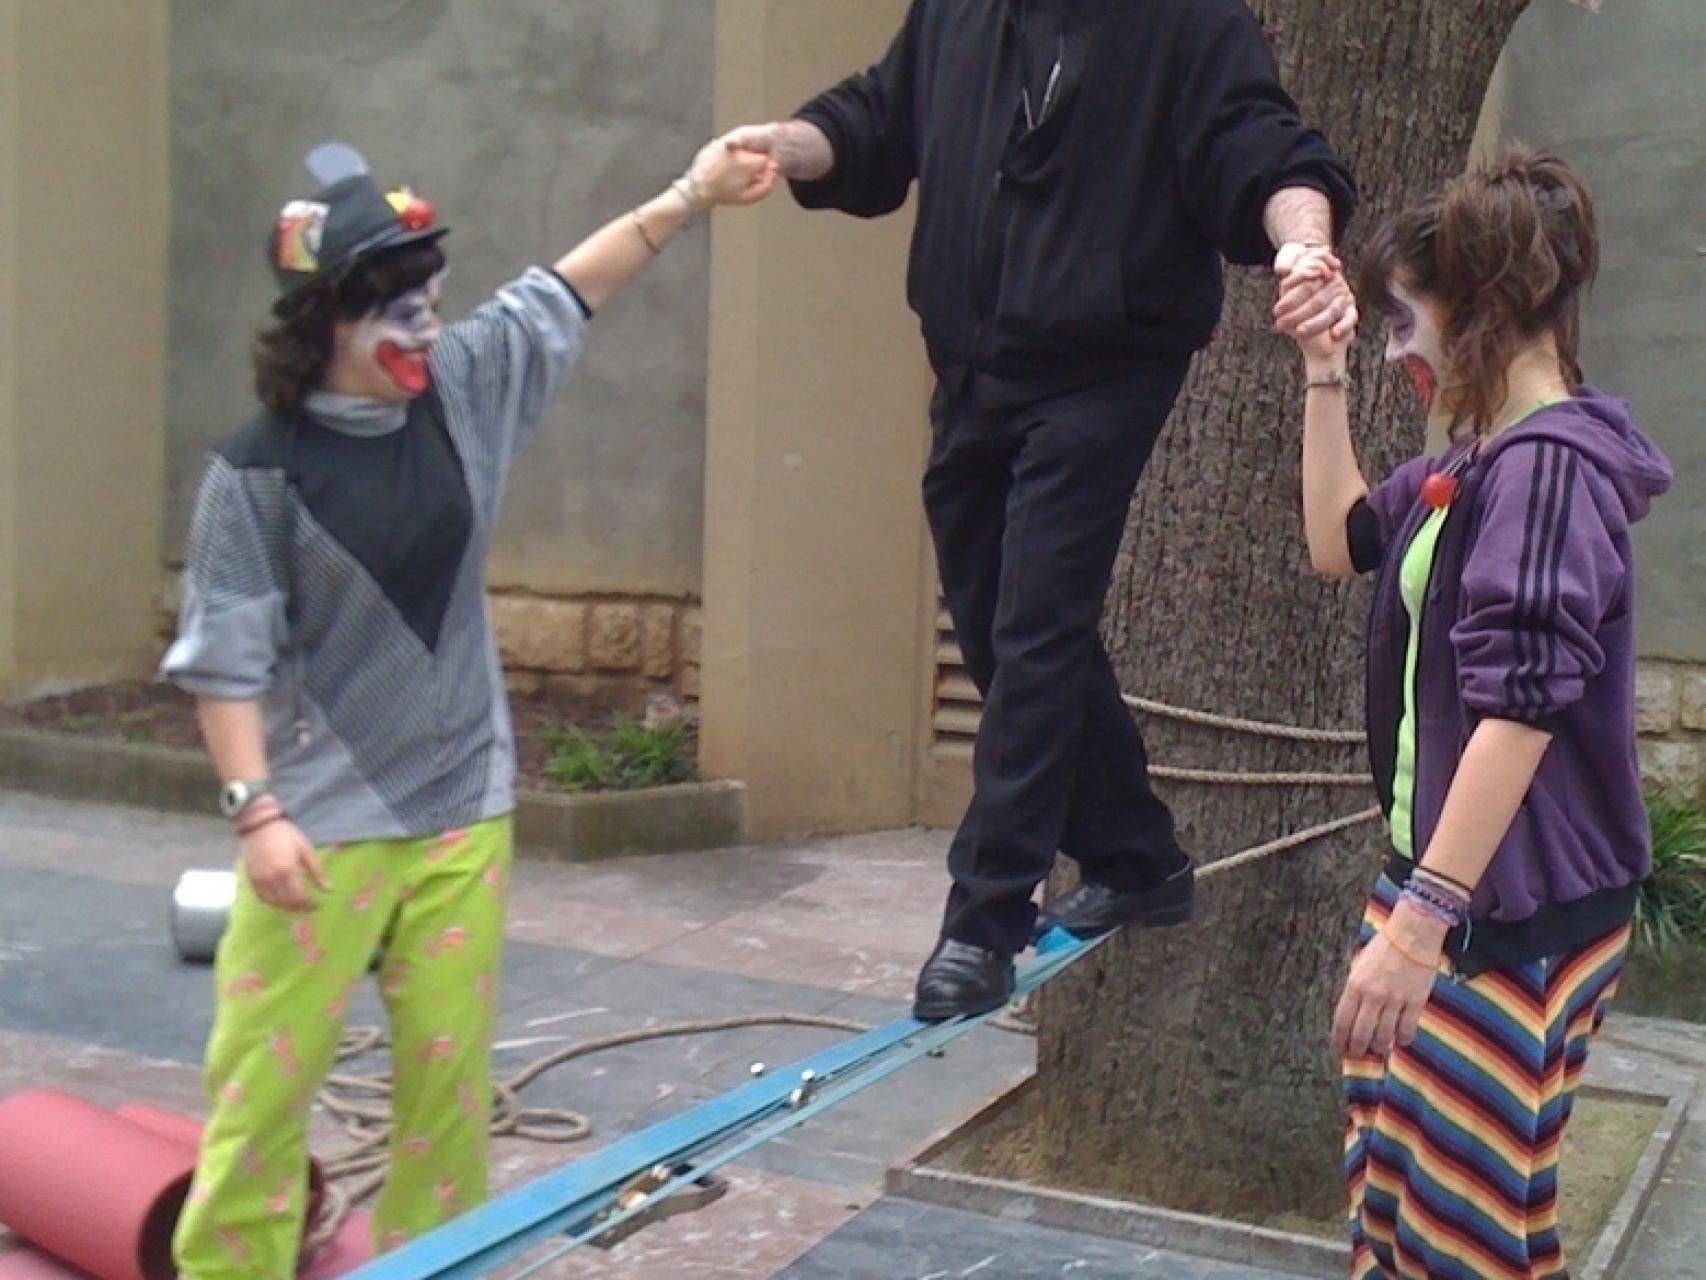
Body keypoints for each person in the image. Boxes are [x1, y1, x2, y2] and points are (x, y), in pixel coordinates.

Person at [161, 137, 774, 1272]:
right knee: (261, 1094)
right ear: (327, 323)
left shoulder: (464, 393)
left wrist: (689, 195)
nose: (423, 327)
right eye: (395, 309)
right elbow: (222, 663)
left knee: (445, 1101)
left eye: (430, 301)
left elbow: (569, 286)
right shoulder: (253, 473)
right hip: (315, 834)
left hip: (460, 819)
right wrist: (256, 812)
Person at [727, 0, 1358, 1020]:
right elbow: (876, 120)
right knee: (991, 623)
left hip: (1105, 368)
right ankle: (1134, 850)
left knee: (1036, 627)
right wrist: (783, 146)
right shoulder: (959, 14)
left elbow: (1266, 150)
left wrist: (1303, 247)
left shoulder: (1189, 25)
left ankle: (983, 917)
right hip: (973, 361)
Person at [1285, 148, 1672, 1280]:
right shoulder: (1480, 462)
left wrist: (1419, 927)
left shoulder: (1545, 472)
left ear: (1480, 308)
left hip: (1505, 916)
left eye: (1403, 321)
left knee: (1458, 1237)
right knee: (1402, 1203)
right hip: (1441, 891)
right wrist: (1323, 367)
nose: (1396, 349)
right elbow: (1337, 540)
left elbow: (1518, 711)